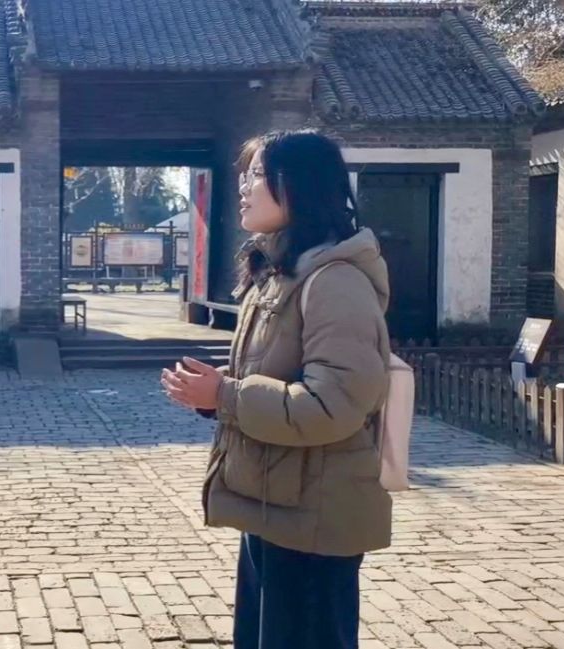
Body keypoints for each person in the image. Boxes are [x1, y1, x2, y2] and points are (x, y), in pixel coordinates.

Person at [161, 129, 392, 649]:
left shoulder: (334, 281)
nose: (244, 187)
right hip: (276, 505)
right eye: (245, 175)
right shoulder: (280, 274)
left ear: (301, 185)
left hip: (316, 519)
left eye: (259, 174)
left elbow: (333, 406)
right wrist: (214, 395)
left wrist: (225, 396)